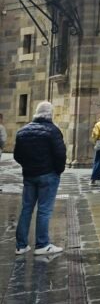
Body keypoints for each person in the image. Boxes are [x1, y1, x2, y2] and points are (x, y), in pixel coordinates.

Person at [14, 101, 66, 256]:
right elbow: (60, 154)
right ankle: (42, 244)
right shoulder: (53, 131)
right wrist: (57, 171)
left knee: (26, 208)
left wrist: (28, 166)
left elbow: (17, 155)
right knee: (44, 210)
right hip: (48, 175)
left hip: (29, 175)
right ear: (50, 114)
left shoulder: (22, 131)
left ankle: (21, 245)